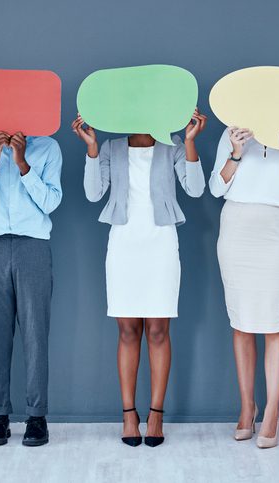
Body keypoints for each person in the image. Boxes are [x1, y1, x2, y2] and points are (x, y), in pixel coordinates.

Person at [72, 109, 207, 447]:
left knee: (159, 330)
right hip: (123, 244)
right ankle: (129, 414)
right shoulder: (111, 147)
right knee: (128, 330)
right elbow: (92, 193)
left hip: (161, 244)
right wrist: (91, 147)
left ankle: (156, 414)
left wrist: (190, 143)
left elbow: (195, 188)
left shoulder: (172, 145)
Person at [209, 125, 279, 449]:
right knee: (241, 323)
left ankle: (272, 411)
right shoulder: (234, 132)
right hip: (237, 228)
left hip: (276, 229)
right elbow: (215, 187)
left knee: (274, 324)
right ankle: (246, 406)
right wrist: (236, 153)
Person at [0, 130, 62, 447]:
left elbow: (51, 201)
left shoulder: (48, 147)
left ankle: (37, 417)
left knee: (36, 333)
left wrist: (22, 164)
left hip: (33, 245)